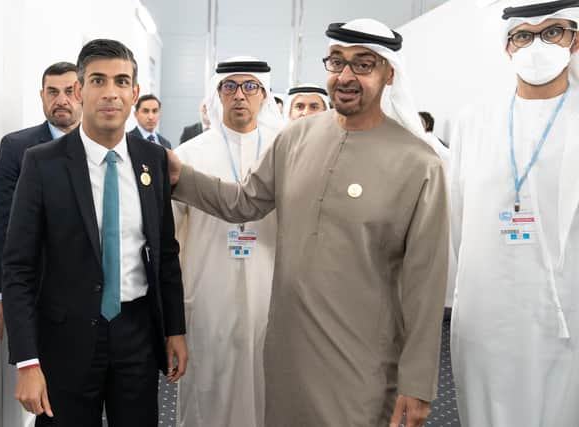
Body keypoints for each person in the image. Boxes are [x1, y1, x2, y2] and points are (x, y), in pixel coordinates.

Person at [168, 19, 448, 427]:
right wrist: (181, 177)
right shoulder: (296, 139)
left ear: (389, 74)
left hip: (363, 359)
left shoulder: (420, 164)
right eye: (337, 62)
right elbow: (245, 202)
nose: (346, 76)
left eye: (363, 64)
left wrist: (418, 382)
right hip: (287, 350)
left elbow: (427, 283)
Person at [2, 39, 187, 427]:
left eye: (122, 82)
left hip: (137, 333)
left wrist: (175, 329)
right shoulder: (42, 163)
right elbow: (18, 267)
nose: (110, 93)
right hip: (65, 338)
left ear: (134, 93)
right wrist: (27, 360)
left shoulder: (152, 159)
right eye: (98, 81)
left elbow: (166, 253)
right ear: (80, 90)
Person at [450, 1, 579, 425]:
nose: (537, 44)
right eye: (524, 35)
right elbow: (457, 218)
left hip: (567, 311)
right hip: (489, 309)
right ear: (508, 47)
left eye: (553, 32)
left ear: (575, 40)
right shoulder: (474, 121)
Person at [173, 56, 283, 427]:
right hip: (207, 288)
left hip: (271, 287)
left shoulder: (284, 151)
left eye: (250, 86)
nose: (240, 95)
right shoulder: (189, 155)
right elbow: (170, 235)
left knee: (270, 385)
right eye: (230, 86)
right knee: (208, 385)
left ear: (264, 94)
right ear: (217, 93)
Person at [0, 61, 82, 348]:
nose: (61, 100)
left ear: (82, 93)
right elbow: (0, 221)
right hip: (36, 292)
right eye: (52, 92)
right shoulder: (16, 148)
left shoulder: (103, 146)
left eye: (70, 91)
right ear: (42, 96)